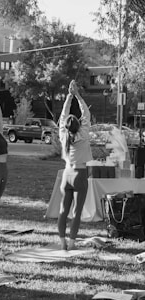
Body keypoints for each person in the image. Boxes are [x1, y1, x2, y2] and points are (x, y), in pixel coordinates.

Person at [57, 80, 92, 251]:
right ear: (79, 125)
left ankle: (62, 242)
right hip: (80, 173)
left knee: (64, 209)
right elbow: (86, 113)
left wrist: (69, 97)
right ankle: (71, 243)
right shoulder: (83, 134)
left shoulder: (64, 135)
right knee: (77, 212)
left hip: (67, 174)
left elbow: (63, 115)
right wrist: (77, 95)